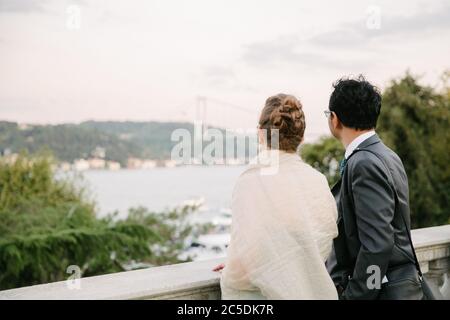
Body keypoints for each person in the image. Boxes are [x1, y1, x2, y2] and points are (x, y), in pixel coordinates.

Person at [214, 94, 338, 299]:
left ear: (261, 134)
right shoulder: (318, 180)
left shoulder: (250, 182)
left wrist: (238, 264)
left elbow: (244, 261)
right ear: (302, 137)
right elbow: (316, 244)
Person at [325, 75, 423, 300]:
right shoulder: (387, 154)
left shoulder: (364, 163)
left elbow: (377, 244)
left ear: (335, 119)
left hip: (384, 292)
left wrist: (356, 295)